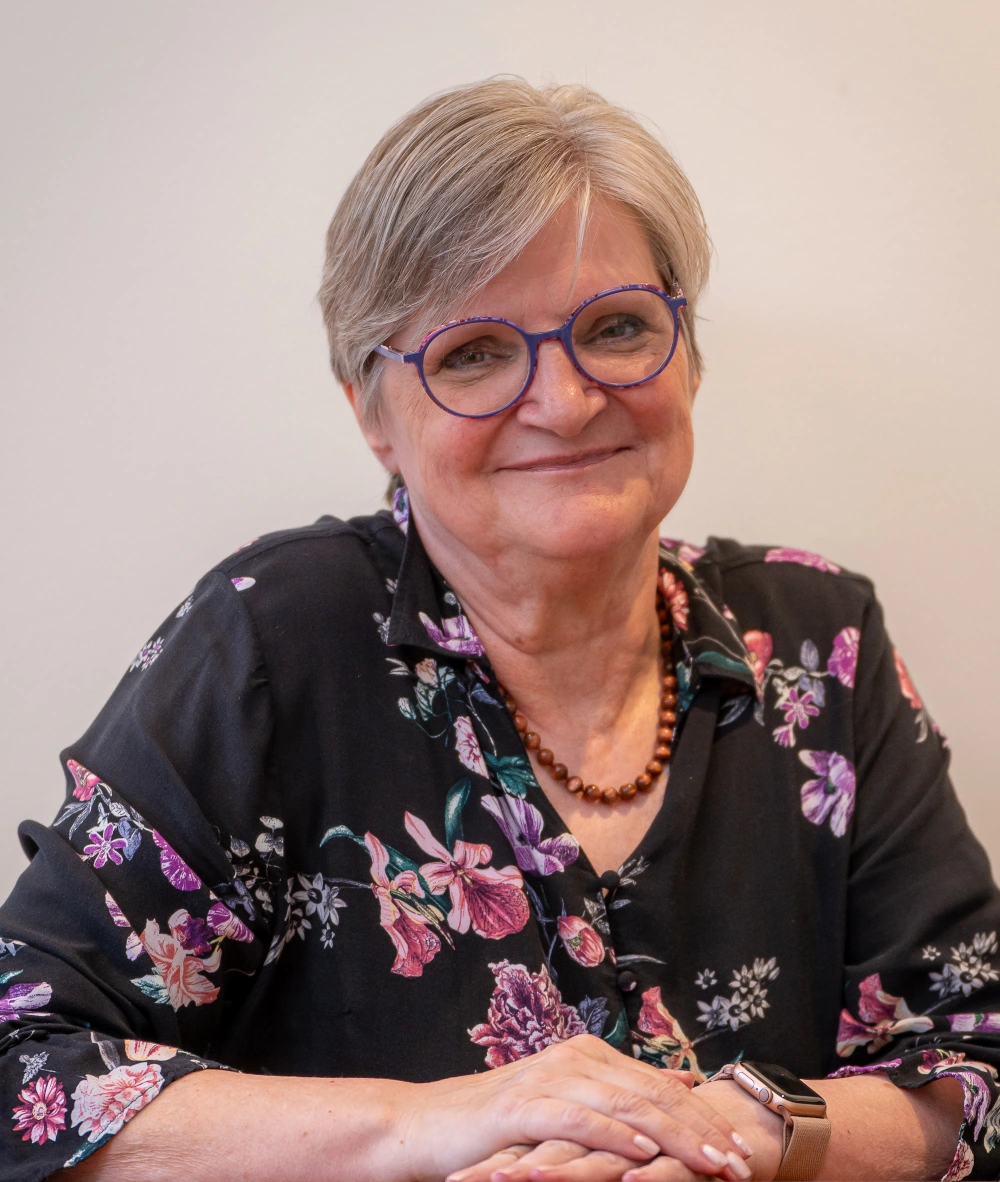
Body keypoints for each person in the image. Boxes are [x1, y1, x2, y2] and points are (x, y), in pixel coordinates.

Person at [1, 77, 997, 1182]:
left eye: (617, 328)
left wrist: (747, 1141)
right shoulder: (271, 644)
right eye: (473, 351)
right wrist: (432, 1125)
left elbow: (976, 1062)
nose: (565, 403)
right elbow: (24, 1064)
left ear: (686, 353)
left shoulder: (820, 643)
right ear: (372, 414)